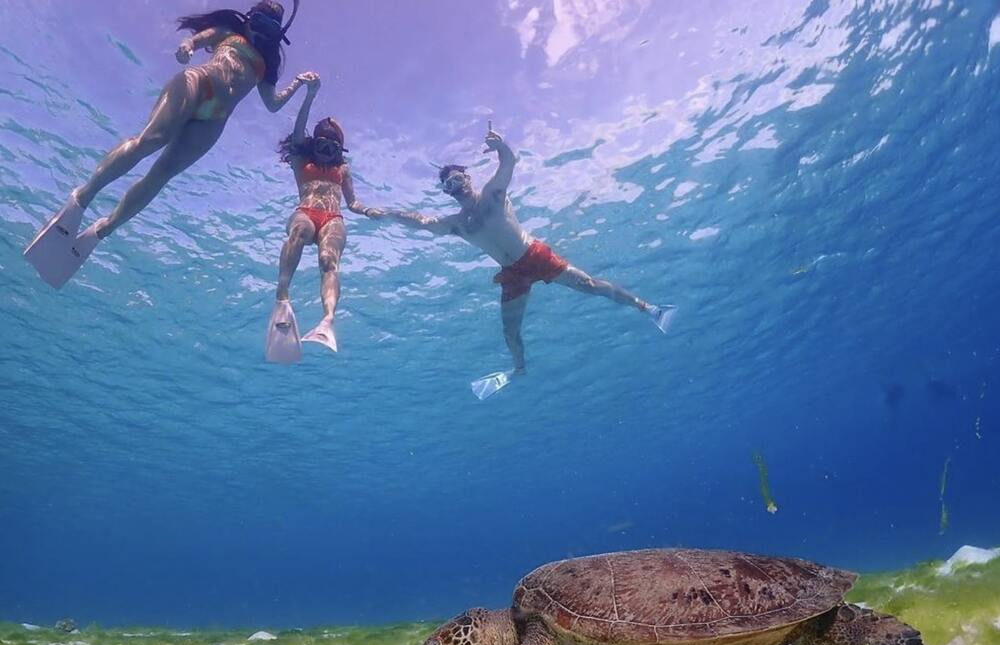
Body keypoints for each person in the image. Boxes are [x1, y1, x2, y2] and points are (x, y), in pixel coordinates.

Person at [24, 0, 317, 289]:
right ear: (249, 18)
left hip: (216, 118)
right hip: (198, 83)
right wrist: (188, 46)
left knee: (162, 174)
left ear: (277, 34)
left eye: (270, 28)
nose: (261, 32)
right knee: (148, 141)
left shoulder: (267, 66)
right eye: (259, 22)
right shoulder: (228, 32)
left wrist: (301, 86)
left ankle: (103, 229)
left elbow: (273, 104)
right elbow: (200, 38)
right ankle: (81, 199)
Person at [367, 124, 676, 397]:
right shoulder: (457, 224)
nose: (456, 186)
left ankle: (649, 308)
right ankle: (518, 370)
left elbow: (508, 163)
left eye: (458, 178)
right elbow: (422, 222)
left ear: (468, 177)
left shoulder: (492, 194)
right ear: (446, 193)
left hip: (535, 255)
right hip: (512, 273)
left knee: (590, 285)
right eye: (449, 185)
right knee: (510, 331)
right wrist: (388, 214)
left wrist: (500, 146)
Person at [264, 79, 371, 363]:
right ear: (314, 143)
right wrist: (310, 95)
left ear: (340, 149)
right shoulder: (301, 159)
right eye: (321, 144)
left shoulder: (343, 169)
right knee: (300, 230)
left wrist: (369, 211)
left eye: (332, 147)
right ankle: (282, 296)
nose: (325, 152)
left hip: (333, 217)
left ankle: (327, 321)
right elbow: (299, 129)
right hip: (306, 211)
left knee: (328, 260)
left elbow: (352, 203)